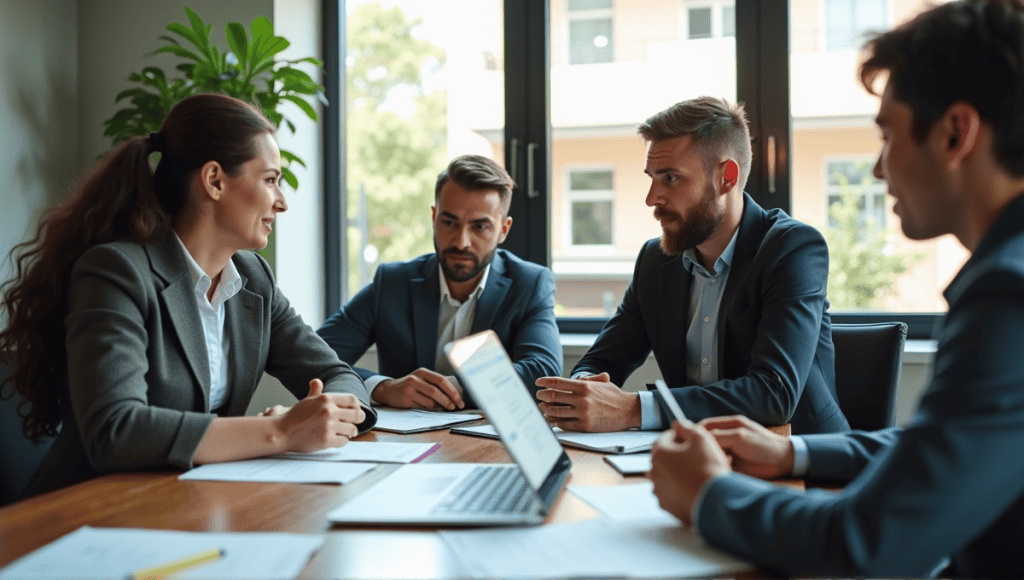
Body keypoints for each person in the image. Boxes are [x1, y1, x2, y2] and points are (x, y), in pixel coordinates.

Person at [649, 1, 1024, 577]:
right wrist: (792, 451)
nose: (878, 170)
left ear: (956, 134)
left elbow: (865, 545)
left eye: (887, 135)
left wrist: (707, 495)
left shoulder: (1007, 298)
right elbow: (943, 448)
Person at [0, 94, 376, 499]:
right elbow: (116, 429)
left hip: (187, 503)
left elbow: (339, 374)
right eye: (270, 180)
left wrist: (328, 412)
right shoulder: (116, 271)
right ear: (214, 180)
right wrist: (278, 431)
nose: (281, 202)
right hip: (86, 510)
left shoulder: (252, 279)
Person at [536, 97, 848, 435]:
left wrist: (632, 409)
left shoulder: (792, 249)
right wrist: (585, 389)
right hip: (695, 454)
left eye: (671, 178)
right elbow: (603, 359)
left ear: (727, 177)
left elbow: (773, 393)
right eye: (652, 177)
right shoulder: (656, 261)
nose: (652, 198)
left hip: (801, 460)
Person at [317, 155, 561, 410]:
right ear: (434, 218)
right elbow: (315, 358)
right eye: (449, 222)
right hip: (402, 445)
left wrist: (460, 386)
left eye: (479, 227)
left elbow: (542, 375)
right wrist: (383, 388)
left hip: (490, 445)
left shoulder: (529, 284)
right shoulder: (392, 283)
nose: (461, 242)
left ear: (503, 230)